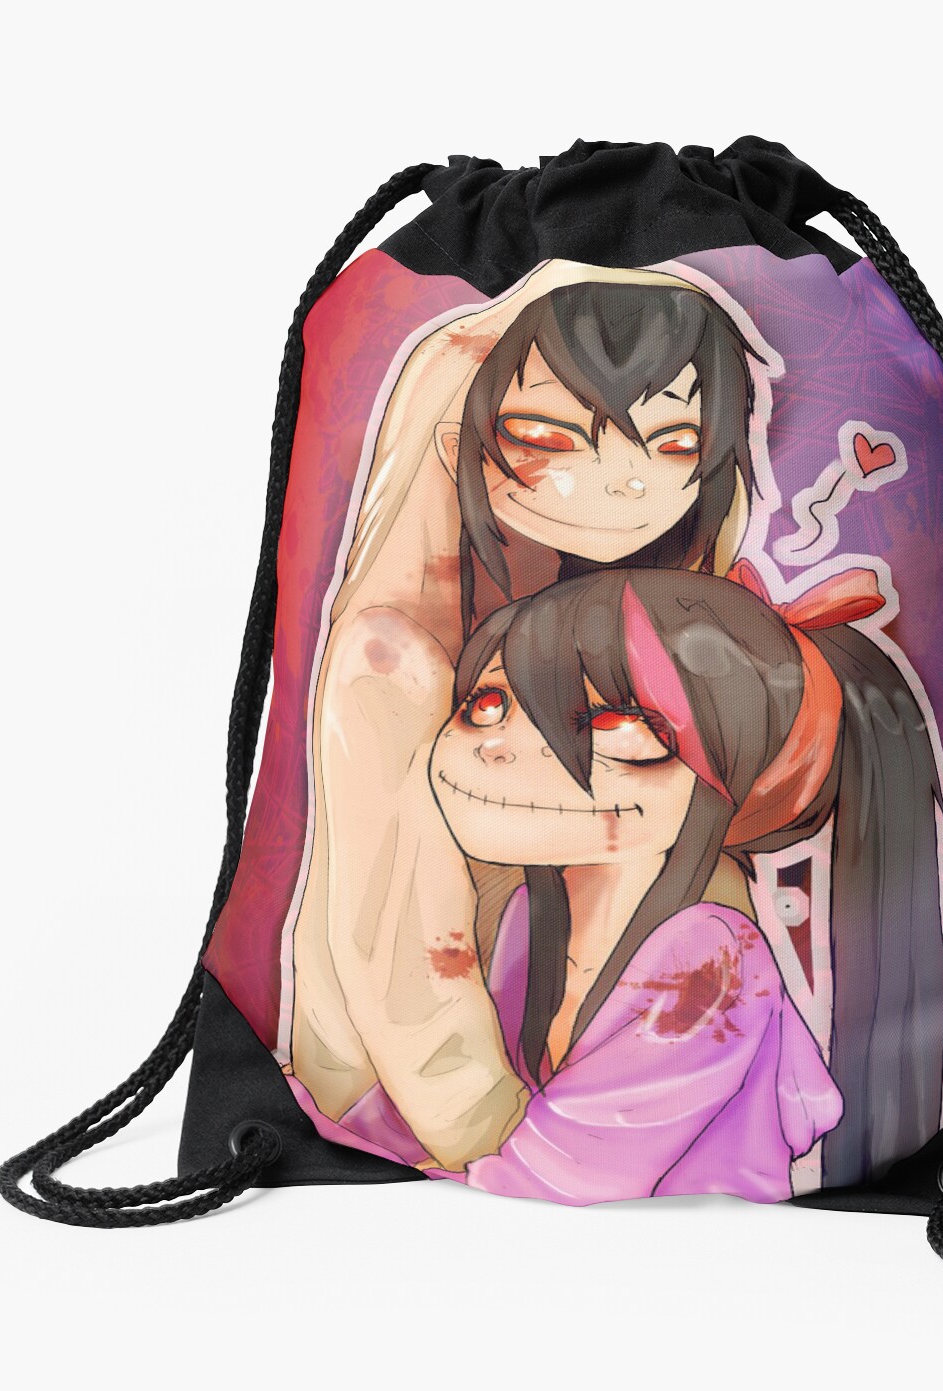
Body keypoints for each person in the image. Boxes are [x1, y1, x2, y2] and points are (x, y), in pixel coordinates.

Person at [285, 262, 776, 1169]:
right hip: (429, 1104)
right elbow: (404, 959)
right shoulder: (393, 658)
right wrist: (501, 1150)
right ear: (456, 442)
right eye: (547, 437)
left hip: (595, 1059)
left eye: (676, 445)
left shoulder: (633, 619)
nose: (622, 484)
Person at [288, 565, 943, 1199]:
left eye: (613, 725)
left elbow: (561, 1176)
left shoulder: (711, 964)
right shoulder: (529, 915)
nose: (497, 746)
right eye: (487, 705)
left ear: (734, 777)